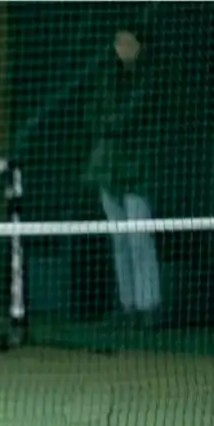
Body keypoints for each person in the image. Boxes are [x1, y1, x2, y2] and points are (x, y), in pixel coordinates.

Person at [84, 28, 162, 326]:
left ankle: (149, 305)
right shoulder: (106, 78)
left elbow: (128, 117)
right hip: (107, 170)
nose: (123, 48)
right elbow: (91, 115)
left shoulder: (149, 78)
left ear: (140, 45)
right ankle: (127, 306)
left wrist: (112, 122)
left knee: (139, 237)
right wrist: (107, 123)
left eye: (129, 42)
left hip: (137, 169)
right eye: (118, 42)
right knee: (119, 240)